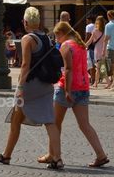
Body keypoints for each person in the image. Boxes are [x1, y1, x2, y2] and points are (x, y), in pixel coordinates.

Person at [0, 7, 62, 169]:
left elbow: (25, 65)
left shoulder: (28, 39)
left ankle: (6, 156)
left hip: (30, 85)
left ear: (26, 22)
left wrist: (20, 87)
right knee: (50, 121)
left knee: (15, 120)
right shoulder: (47, 38)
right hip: (46, 84)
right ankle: (57, 158)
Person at [45, 21, 109, 169]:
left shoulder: (66, 45)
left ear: (62, 33)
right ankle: (101, 155)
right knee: (84, 124)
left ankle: (55, 156)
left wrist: (67, 91)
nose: (56, 39)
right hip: (83, 87)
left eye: (57, 36)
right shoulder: (80, 45)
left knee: (54, 123)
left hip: (67, 88)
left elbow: (67, 70)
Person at [90, 16, 107, 88]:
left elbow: (91, 41)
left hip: (97, 50)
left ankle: (107, 82)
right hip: (104, 49)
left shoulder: (95, 31)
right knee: (99, 67)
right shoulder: (106, 30)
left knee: (100, 67)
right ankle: (96, 83)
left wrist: (83, 45)